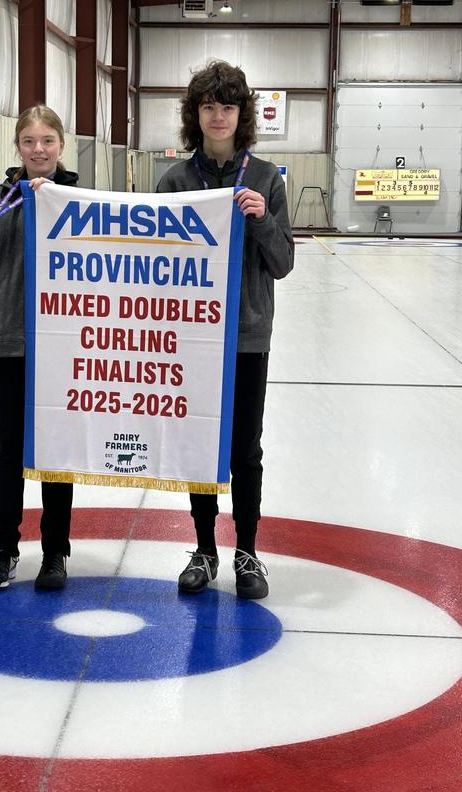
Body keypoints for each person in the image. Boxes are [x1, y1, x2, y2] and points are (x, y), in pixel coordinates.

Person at [157, 61, 294, 599]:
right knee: (199, 445)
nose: (218, 116)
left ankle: (248, 553)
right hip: (192, 337)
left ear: (242, 115)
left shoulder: (264, 178)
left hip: (245, 336)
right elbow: (153, 263)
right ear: (195, 115)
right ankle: (204, 549)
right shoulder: (175, 181)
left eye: (228, 106)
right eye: (209, 106)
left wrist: (262, 219)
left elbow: (282, 262)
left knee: (245, 450)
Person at [0, 104, 78, 591]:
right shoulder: (0, 199)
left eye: (47, 140)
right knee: (8, 449)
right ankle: (3, 549)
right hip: (7, 341)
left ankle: (55, 552)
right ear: (18, 146)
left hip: (63, 344)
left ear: (61, 145)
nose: (38, 150)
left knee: (56, 452)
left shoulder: (80, 199)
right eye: (29, 141)